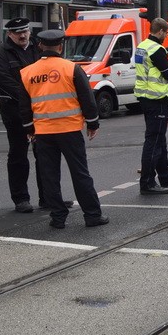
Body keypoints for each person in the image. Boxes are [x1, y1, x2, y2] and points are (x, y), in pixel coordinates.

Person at [17, 29, 109, 230]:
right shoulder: (71, 68)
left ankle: (58, 217)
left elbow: (24, 106)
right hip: (69, 130)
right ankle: (92, 215)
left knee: (49, 177)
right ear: (60, 46)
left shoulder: (27, 72)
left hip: (42, 133)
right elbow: (87, 98)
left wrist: (29, 128)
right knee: (80, 173)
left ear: (40, 46)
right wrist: (93, 123)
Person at [0, 17, 74, 213]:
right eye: (17, 32)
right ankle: (21, 199)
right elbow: (3, 82)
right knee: (19, 156)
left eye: (25, 31)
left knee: (45, 156)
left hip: (41, 112)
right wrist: (31, 95)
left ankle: (49, 198)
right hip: (15, 112)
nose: (22, 35)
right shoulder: (1, 53)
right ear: (9, 34)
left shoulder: (38, 50)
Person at [135, 18, 168, 194]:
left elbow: (156, 57)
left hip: (146, 97)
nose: (166, 36)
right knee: (154, 141)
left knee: (160, 140)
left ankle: (165, 176)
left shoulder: (143, 45)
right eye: (166, 33)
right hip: (156, 98)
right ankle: (148, 183)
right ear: (160, 32)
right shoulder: (156, 49)